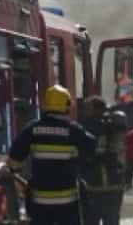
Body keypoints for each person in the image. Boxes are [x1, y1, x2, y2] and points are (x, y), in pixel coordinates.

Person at [8, 85, 98, 225]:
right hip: (67, 203)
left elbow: (14, 161)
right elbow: (92, 148)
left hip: (39, 203)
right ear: (66, 106)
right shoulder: (74, 130)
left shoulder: (32, 129)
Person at [81, 97, 129, 225]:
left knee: (91, 221)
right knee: (112, 220)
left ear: (96, 109)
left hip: (93, 186)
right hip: (115, 185)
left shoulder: (86, 126)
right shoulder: (114, 125)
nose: (85, 111)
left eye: (88, 108)